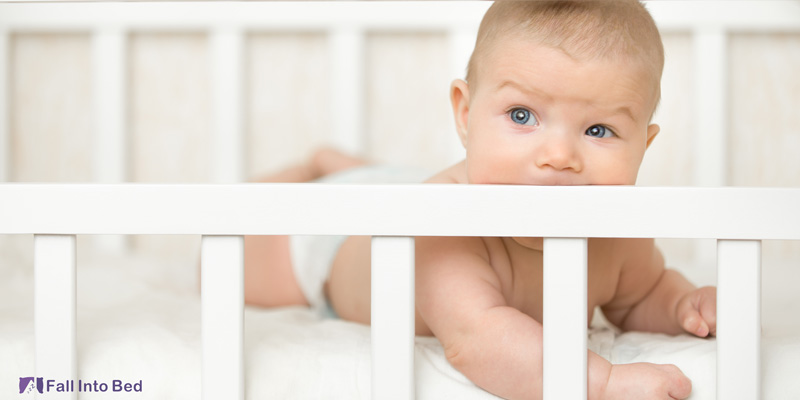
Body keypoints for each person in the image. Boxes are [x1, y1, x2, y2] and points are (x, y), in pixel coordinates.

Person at [243, 1, 716, 399]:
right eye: (522, 115)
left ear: (643, 145)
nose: (558, 157)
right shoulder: (442, 223)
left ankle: (348, 165)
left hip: (422, 181)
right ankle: (312, 172)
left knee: (392, 179)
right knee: (234, 259)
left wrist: (682, 306)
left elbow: (640, 297)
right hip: (336, 238)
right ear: (466, 115)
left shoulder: (614, 233)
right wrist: (603, 381)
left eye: (598, 130)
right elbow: (478, 339)